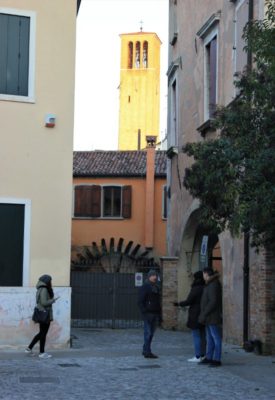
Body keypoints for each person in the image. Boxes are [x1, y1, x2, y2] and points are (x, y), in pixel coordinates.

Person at [173, 271, 206, 362]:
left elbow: (189, 301)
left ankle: (198, 356)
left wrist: (179, 304)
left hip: (195, 314)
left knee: (196, 335)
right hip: (203, 313)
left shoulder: (196, 288)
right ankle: (203, 354)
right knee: (203, 335)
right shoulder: (205, 287)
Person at [25, 275, 58, 359]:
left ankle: (29, 348)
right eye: (50, 281)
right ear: (47, 281)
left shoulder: (40, 288)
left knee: (41, 333)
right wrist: (53, 300)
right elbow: (44, 302)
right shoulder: (44, 289)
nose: (51, 282)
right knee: (43, 333)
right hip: (45, 314)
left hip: (42, 313)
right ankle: (42, 353)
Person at [198, 267, 222, 367]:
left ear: (206, 274)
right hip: (208, 317)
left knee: (216, 338)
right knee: (210, 338)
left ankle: (217, 359)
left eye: (203, 274)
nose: (203, 276)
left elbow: (213, 302)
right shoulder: (210, 284)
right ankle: (209, 357)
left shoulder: (213, 285)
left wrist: (204, 313)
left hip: (212, 316)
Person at [138, 269, 161, 359]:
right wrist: (145, 312)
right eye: (153, 275)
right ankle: (147, 352)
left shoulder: (156, 287)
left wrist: (159, 314)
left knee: (151, 334)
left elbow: (158, 302)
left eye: (156, 275)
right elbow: (140, 301)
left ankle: (145, 350)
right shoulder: (145, 287)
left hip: (155, 314)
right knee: (148, 333)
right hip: (148, 314)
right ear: (149, 276)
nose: (155, 277)